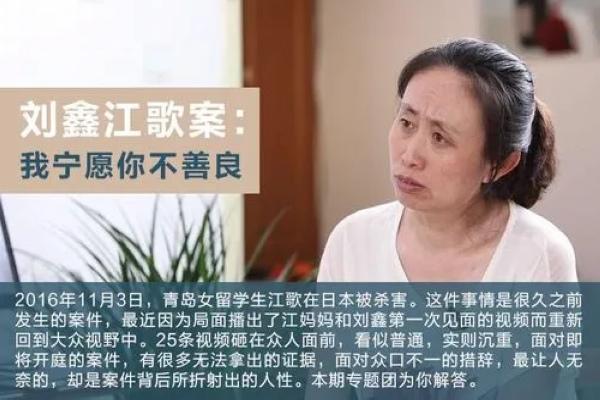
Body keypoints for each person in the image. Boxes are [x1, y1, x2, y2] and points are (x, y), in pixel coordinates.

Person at [317, 38, 578, 283]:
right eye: (406, 123)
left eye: (440, 138)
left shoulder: (540, 254)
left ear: (501, 164)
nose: (409, 156)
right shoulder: (351, 242)